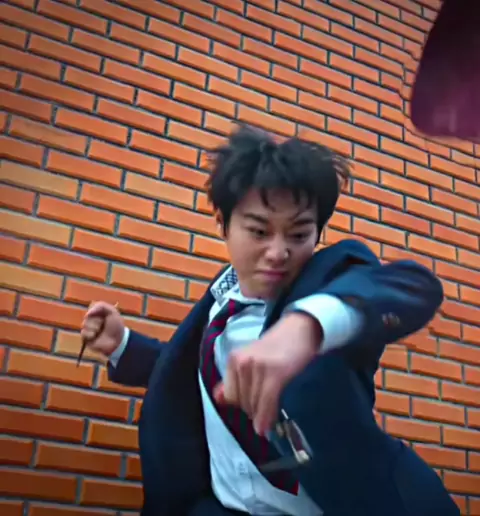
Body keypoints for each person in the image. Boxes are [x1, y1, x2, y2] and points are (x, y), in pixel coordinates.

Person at [81, 124, 459, 516]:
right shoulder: (217, 304)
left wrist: (307, 327)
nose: (278, 252)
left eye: (298, 235)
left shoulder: (331, 279)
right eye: (259, 231)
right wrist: (122, 344)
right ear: (224, 224)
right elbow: (199, 374)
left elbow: (408, 288)